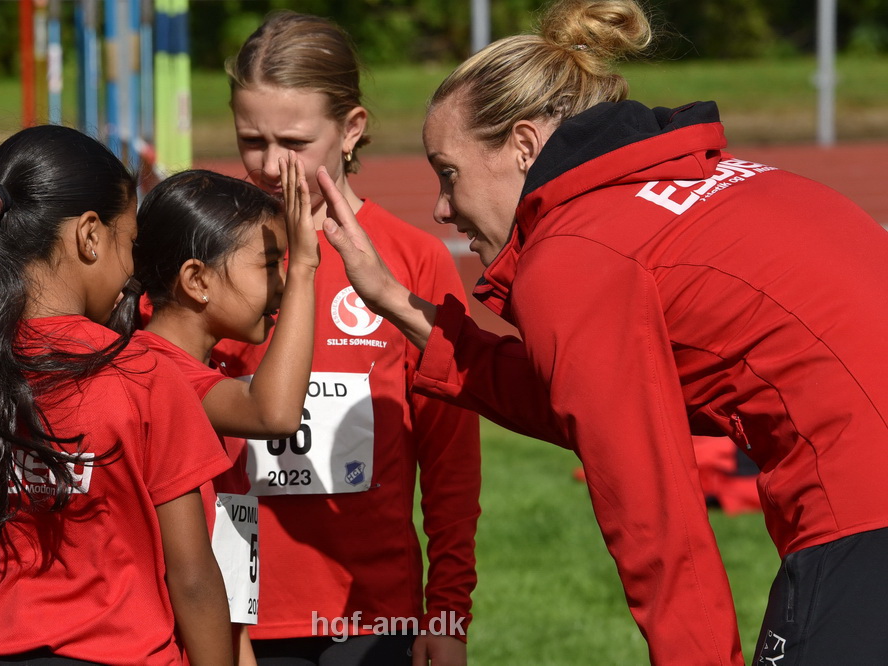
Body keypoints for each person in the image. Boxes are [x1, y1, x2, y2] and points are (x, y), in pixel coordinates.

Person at [317, 0, 888, 664]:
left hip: (862, 511)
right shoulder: (683, 183)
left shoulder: (576, 255)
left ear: (525, 145)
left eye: (449, 173)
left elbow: (658, 529)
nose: (443, 207)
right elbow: (586, 404)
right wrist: (400, 304)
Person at [0, 125, 234, 666]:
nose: (133, 270)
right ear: (90, 236)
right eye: (131, 243)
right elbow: (191, 574)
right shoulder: (144, 372)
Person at [217, 11, 481, 666]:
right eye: (252, 139)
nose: (272, 164)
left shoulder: (413, 261)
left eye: (295, 141)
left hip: (375, 617)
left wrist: (447, 612)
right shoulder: (210, 260)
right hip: (242, 619)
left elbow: (450, 466)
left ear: (351, 129)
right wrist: (217, 618)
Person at [112, 157, 320, 666]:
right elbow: (274, 413)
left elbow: (224, 546)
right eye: (270, 265)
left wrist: (239, 648)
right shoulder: (154, 373)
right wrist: (307, 272)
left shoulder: (201, 369)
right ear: (196, 279)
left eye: (287, 266)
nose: (280, 282)